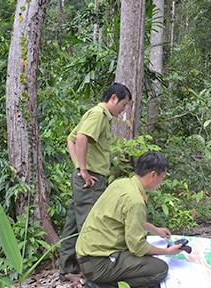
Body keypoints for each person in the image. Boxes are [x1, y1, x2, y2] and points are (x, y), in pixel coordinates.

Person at [76, 151, 185, 288]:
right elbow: (138, 247)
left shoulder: (121, 184)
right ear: (153, 175)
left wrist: (155, 230)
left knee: (148, 257)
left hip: (87, 254)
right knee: (159, 268)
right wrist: (168, 252)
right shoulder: (135, 201)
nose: (162, 181)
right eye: (162, 177)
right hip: (98, 263)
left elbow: (123, 217)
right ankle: (103, 285)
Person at [59, 82, 132, 282]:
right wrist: (82, 170)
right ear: (114, 99)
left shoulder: (95, 114)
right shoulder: (99, 115)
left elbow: (71, 138)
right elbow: (80, 138)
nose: (122, 110)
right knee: (89, 227)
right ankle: (92, 274)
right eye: (123, 105)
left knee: (73, 224)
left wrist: (78, 167)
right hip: (91, 180)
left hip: (87, 178)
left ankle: (68, 270)